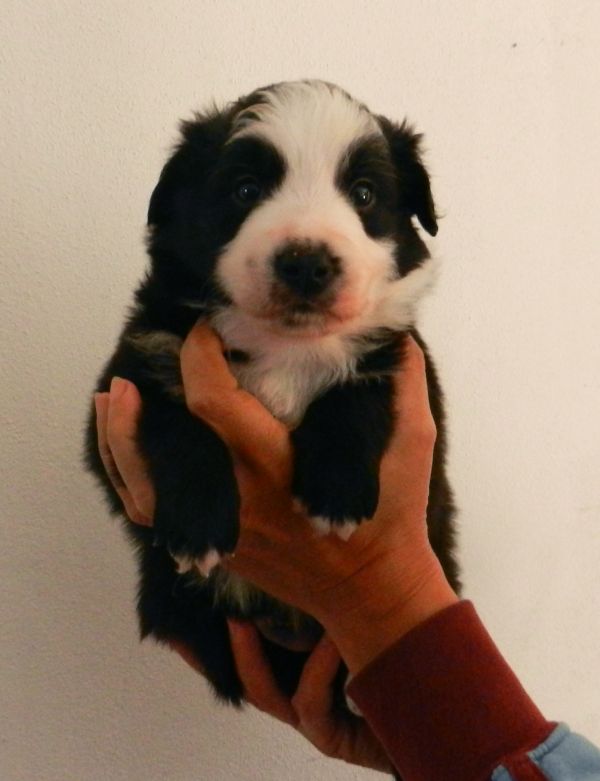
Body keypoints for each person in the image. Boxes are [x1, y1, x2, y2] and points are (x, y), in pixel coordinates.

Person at [94, 323, 600, 780]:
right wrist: (428, 745)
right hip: (249, 640)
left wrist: (372, 590)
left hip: (352, 668)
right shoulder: (177, 324)